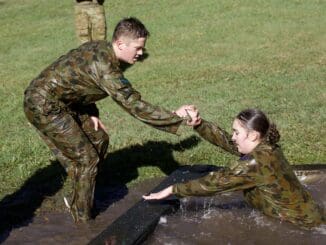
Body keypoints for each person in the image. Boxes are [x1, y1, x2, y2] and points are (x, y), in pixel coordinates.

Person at [24, 17, 201, 223]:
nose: (141, 53)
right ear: (120, 44)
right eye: (138, 48)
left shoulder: (102, 49)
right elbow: (133, 105)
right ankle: (82, 221)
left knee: (99, 138)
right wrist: (175, 116)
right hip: (43, 105)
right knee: (86, 159)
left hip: (64, 102)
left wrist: (91, 111)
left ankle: (82, 194)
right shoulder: (107, 68)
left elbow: (78, 78)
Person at [143, 109, 325, 229]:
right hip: (310, 214)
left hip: (300, 225)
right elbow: (227, 141)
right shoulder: (268, 146)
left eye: (237, 132)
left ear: (253, 135)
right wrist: (199, 124)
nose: (233, 137)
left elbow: (213, 184)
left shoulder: (252, 164)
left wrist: (173, 189)